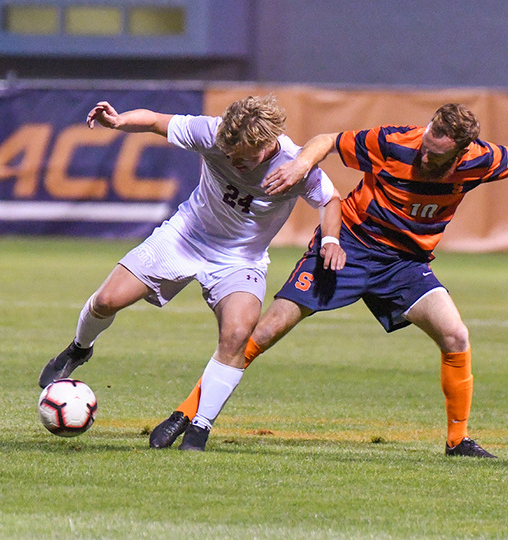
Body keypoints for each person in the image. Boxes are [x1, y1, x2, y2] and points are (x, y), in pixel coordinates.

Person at [151, 102, 508, 457]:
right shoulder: (396, 140)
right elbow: (328, 140)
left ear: (460, 152)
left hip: (404, 264)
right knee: (266, 330)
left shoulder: (480, 160)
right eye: (427, 144)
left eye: (437, 154)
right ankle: (188, 412)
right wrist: (301, 164)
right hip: (349, 247)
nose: (426, 155)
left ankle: (458, 441)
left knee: (455, 333)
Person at [38, 95, 346, 452]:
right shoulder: (213, 133)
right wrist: (120, 122)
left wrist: (331, 240)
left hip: (240, 259)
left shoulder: (294, 165)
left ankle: (200, 426)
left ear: (265, 145)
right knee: (107, 300)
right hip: (185, 237)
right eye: (227, 153)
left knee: (236, 334)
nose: (232, 160)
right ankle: (79, 348)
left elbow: (330, 200)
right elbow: (155, 120)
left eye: (241, 157)